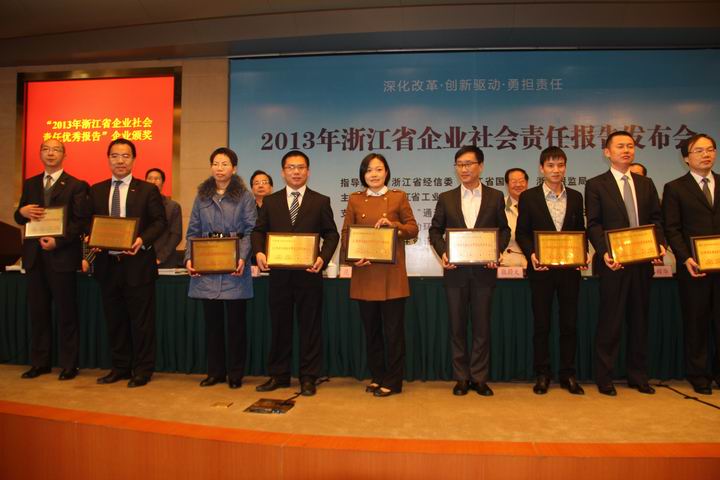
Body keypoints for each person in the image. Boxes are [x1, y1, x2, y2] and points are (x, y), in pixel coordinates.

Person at [252, 150, 339, 396]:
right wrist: (259, 252)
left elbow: (331, 234)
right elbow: (258, 231)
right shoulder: (271, 201)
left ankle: (308, 377)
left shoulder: (320, 201)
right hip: (279, 276)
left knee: (310, 327)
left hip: (309, 274)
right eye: (291, 167)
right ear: (283, 172)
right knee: (280, 326)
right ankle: (279, 375)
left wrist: (322, 258)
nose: (296, 172)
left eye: (301, 167)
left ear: (308, 172)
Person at [585, 130, 665, 396]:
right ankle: (604, 377)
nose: (626, 150)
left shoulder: (645, 183)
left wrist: (659, 243)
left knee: (639, 321)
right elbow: (594, 224)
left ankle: (638, 376)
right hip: (613, 264)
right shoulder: (596, 184)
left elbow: (657, 219)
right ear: (607, 152)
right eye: (620, 146)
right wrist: (605, 252)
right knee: (610, 322)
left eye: (630, 146)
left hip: (642, 262)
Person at [429, 146, 510, 396]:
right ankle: (461, 377)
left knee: (482, 327)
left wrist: (497, 251)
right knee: (457, 327)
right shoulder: (446, 197)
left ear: (481, 166)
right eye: (459, 164)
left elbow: (504, 230)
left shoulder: (495, 196)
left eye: (468, 164)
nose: (463, 169)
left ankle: (479, 378)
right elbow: (434, 230)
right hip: (456, 272)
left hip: (485, 271)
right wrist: (443, 252)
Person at [89, 138, 166, 388]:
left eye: (125, 156)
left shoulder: (147, 190)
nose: (120, 161)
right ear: (108, 159)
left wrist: (142, 240)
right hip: (107, 265)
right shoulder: (96, 190)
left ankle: (143, 369)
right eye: (115, 156)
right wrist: (90, 237)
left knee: (141, 322)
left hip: (137, 265)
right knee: (115, 320)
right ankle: (120, 367)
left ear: (133, 159)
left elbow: (159, 222)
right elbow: (89, 223)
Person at [341, 153, 418, 397]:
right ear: (362, 174)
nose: (373, 174)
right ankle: (377, 376)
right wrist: (352, 258)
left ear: (386, 172)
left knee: (393, 333)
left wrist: (394, 225)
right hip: (365, 273)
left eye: (378, 169)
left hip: (391, 276)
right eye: (368, 170)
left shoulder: (398, 197)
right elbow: (346, 233)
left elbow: (413, 229)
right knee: (371, 332)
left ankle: (393, 381)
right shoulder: (355, 199)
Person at [13, 139, 89, 380]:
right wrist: (21, 212)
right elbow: (20, 217)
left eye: (56, 149)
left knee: (66, 313)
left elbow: (80, 222)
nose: (50, 153)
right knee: (38, 313)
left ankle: (69, 364)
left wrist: (59, 241)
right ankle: (40, 363)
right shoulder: (31, 183)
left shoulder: (76, 185)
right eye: (45, 149)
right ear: (40, 154)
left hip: (62, 256)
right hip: (34, 257)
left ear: (64, 155)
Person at [515, 146, 587, 395]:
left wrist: (583, 253)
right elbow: (522, 233)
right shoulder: (529, 197)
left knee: (569, 324)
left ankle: (568, 374)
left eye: (560, 165)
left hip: (569, 271)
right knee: (542, 324)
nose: (556, 170)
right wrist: (532, 254)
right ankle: (542, 373)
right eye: (550, 165)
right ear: (541, 168)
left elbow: (580, 231)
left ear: (565, 167)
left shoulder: (576, 196)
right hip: (541, 270)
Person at [185, 148, 256, 389]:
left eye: (225, 163)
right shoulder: (202, 197)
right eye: (215, 163)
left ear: (234, 168)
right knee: (212, 326)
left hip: (235, 269)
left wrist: (242, 258)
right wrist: (189, 258)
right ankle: (215, 372)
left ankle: (235, 374)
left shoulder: (244, 197)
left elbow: (250, 230)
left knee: (236, 326)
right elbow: (193, 231)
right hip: (207, 268)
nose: (219, 168)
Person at [662, 133, 719, 395]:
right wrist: (685, 258)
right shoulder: (675, 188)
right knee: (696, 322)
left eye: (710, 149)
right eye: (699, 151)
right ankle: (698, 374)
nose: (706, 155)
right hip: (694, 267)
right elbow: (672, 229)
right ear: (686, 158)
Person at [145, 168, 182, 268]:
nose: (153, 181)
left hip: (165, 260)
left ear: (163, 182)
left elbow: (176, 235)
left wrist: (160, 257)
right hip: (142, 260)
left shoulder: (173, 206)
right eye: (150, 178)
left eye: (157, 179)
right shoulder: (138, 205)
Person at [501, 168, 529, 268]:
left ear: (527, 183)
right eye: (514, 181)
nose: (518, 185)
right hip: (506, 265)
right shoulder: (499, 205)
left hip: (532, 265)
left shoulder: (536, 205)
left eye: (521, 181)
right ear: (507, 184)